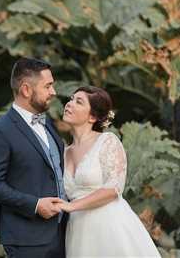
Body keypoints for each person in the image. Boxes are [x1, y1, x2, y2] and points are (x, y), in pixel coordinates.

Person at [0, 58, 67, 258]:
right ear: (26, 90)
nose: (53, 92)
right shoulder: (1, 131)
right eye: (48, 86)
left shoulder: (47, 122)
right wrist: (35, 205)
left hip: (61, 233)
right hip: (27, 240)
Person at [58, 86, 161, 257]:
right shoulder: (63, 152)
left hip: (109, 225)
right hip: (78, 231)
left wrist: (72, 206)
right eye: (71, 99)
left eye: (79, 102)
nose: (69, 104)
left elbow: (113, 189)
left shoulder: (107, 142)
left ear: (92, 117)